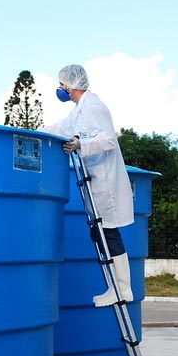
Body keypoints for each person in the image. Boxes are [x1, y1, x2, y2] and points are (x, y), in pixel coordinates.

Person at [43, 64, 134, 307]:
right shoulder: (80, 111)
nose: (60, 88)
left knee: (109, 232)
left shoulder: (93, 107)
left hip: (106, 182)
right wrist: (36, 133)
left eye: (62, 84)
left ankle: (123, 289)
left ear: (71, 85)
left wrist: (80, 144)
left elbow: (108, 141)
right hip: (96, 181)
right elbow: (63, 127)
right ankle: (114, 286)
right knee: (100, 232)